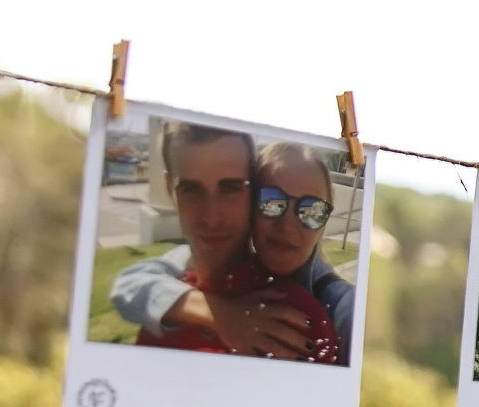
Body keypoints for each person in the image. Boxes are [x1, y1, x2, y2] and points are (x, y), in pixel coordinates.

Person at [115, 139, 353, 359]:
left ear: (324, 222)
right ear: (249, 205)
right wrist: (219, 314)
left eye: (312, 211)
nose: (288, 226)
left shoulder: (342, 305)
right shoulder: (205, 264)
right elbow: (130, 282)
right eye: (271, 202)